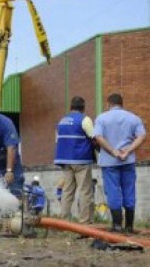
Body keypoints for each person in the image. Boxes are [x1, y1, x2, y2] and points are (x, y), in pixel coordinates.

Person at [93, 93, 146, 233]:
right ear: (122, 104)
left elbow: (98, 137)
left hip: (110, 162)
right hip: (128, 161)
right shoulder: (133, 118)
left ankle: (117, 225)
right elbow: (141, 136)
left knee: (113, 192)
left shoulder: (102, 118)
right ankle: (129, 226)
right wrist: (128, 150)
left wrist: (113, 151)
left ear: (108, 104)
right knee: (129, 190)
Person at [54, 96, 96, 225]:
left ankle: (64, 222)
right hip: (81, 160)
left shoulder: (61, 121)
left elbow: (57, 140)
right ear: (83, 107)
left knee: (67, 191)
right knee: (84, 191)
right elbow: (94, 138)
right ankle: (84, 221)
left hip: (65, 160)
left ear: (71, 107)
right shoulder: (85, 119)